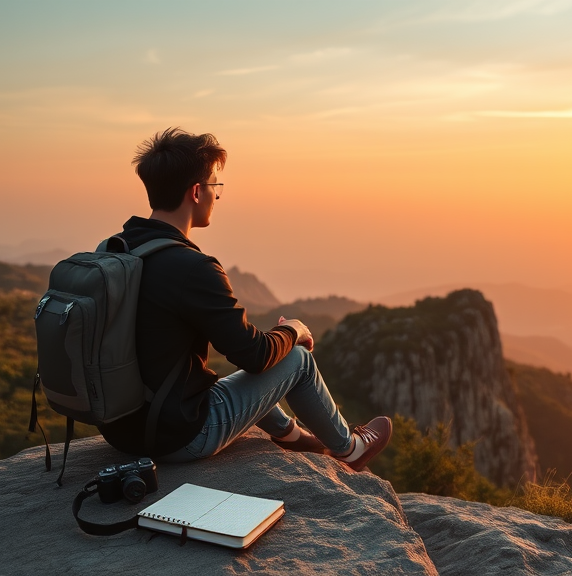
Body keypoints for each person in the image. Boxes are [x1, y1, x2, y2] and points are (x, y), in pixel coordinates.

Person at [96, 127, 391, 471]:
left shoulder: (115, 251)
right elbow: (254, 356)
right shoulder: (193, 268)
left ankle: (288, 434)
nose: (216, 198)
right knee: (297, 360)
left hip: (121, 431)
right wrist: (293, 330)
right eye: (215, 187)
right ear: (196, 191)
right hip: (179, 438)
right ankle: (350, 448)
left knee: (216, 377)